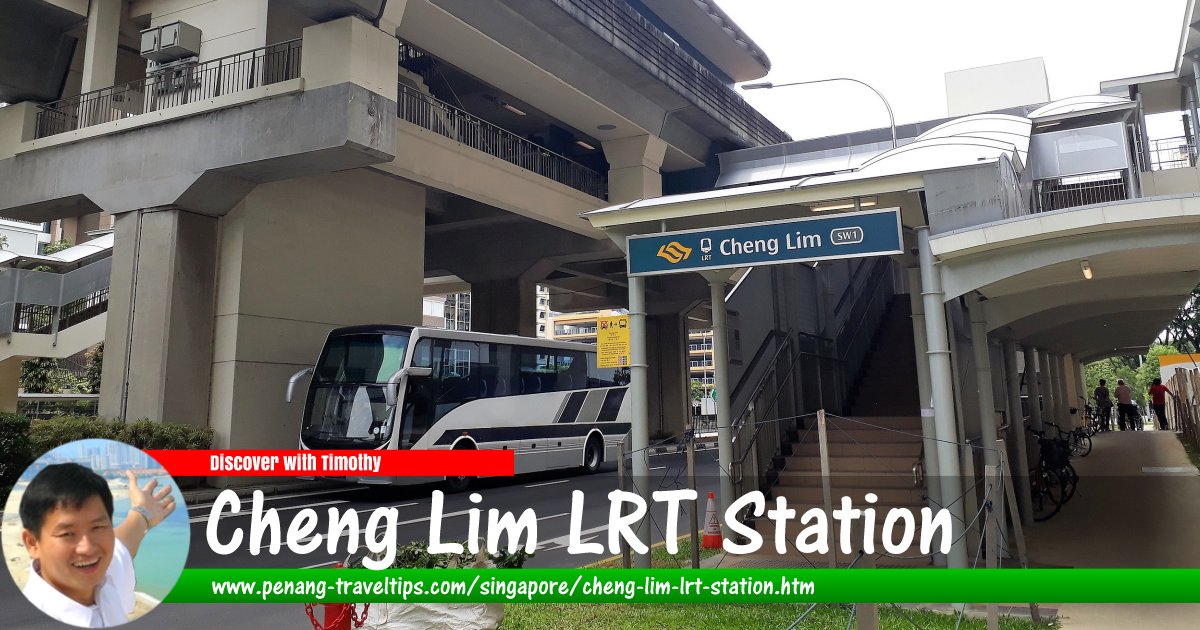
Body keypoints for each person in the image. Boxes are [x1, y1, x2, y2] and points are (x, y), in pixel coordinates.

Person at [19, 464, 176, 628]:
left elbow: (123, 544)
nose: (87, 548)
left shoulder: (103, 577)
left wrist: (143, 512)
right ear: (32, 543)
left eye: (97, 528)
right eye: (67, 534)